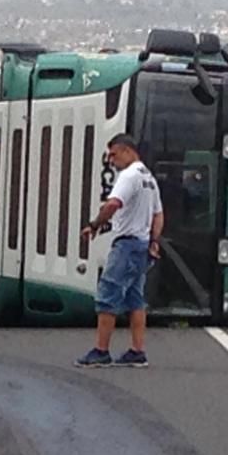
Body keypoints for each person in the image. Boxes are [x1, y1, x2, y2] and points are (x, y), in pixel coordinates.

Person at [75, 134, 164, 368]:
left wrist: (94, 225)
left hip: (126, 244)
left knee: (108, 293)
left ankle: (101, 351)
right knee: (135, 298)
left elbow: (114, 204)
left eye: (114, 154)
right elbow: (158, 214)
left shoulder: (130, 175)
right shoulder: (149, 178)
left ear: (127, 151)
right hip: (142, 244)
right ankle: (137, 350)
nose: (111, 161)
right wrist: (154, 241)